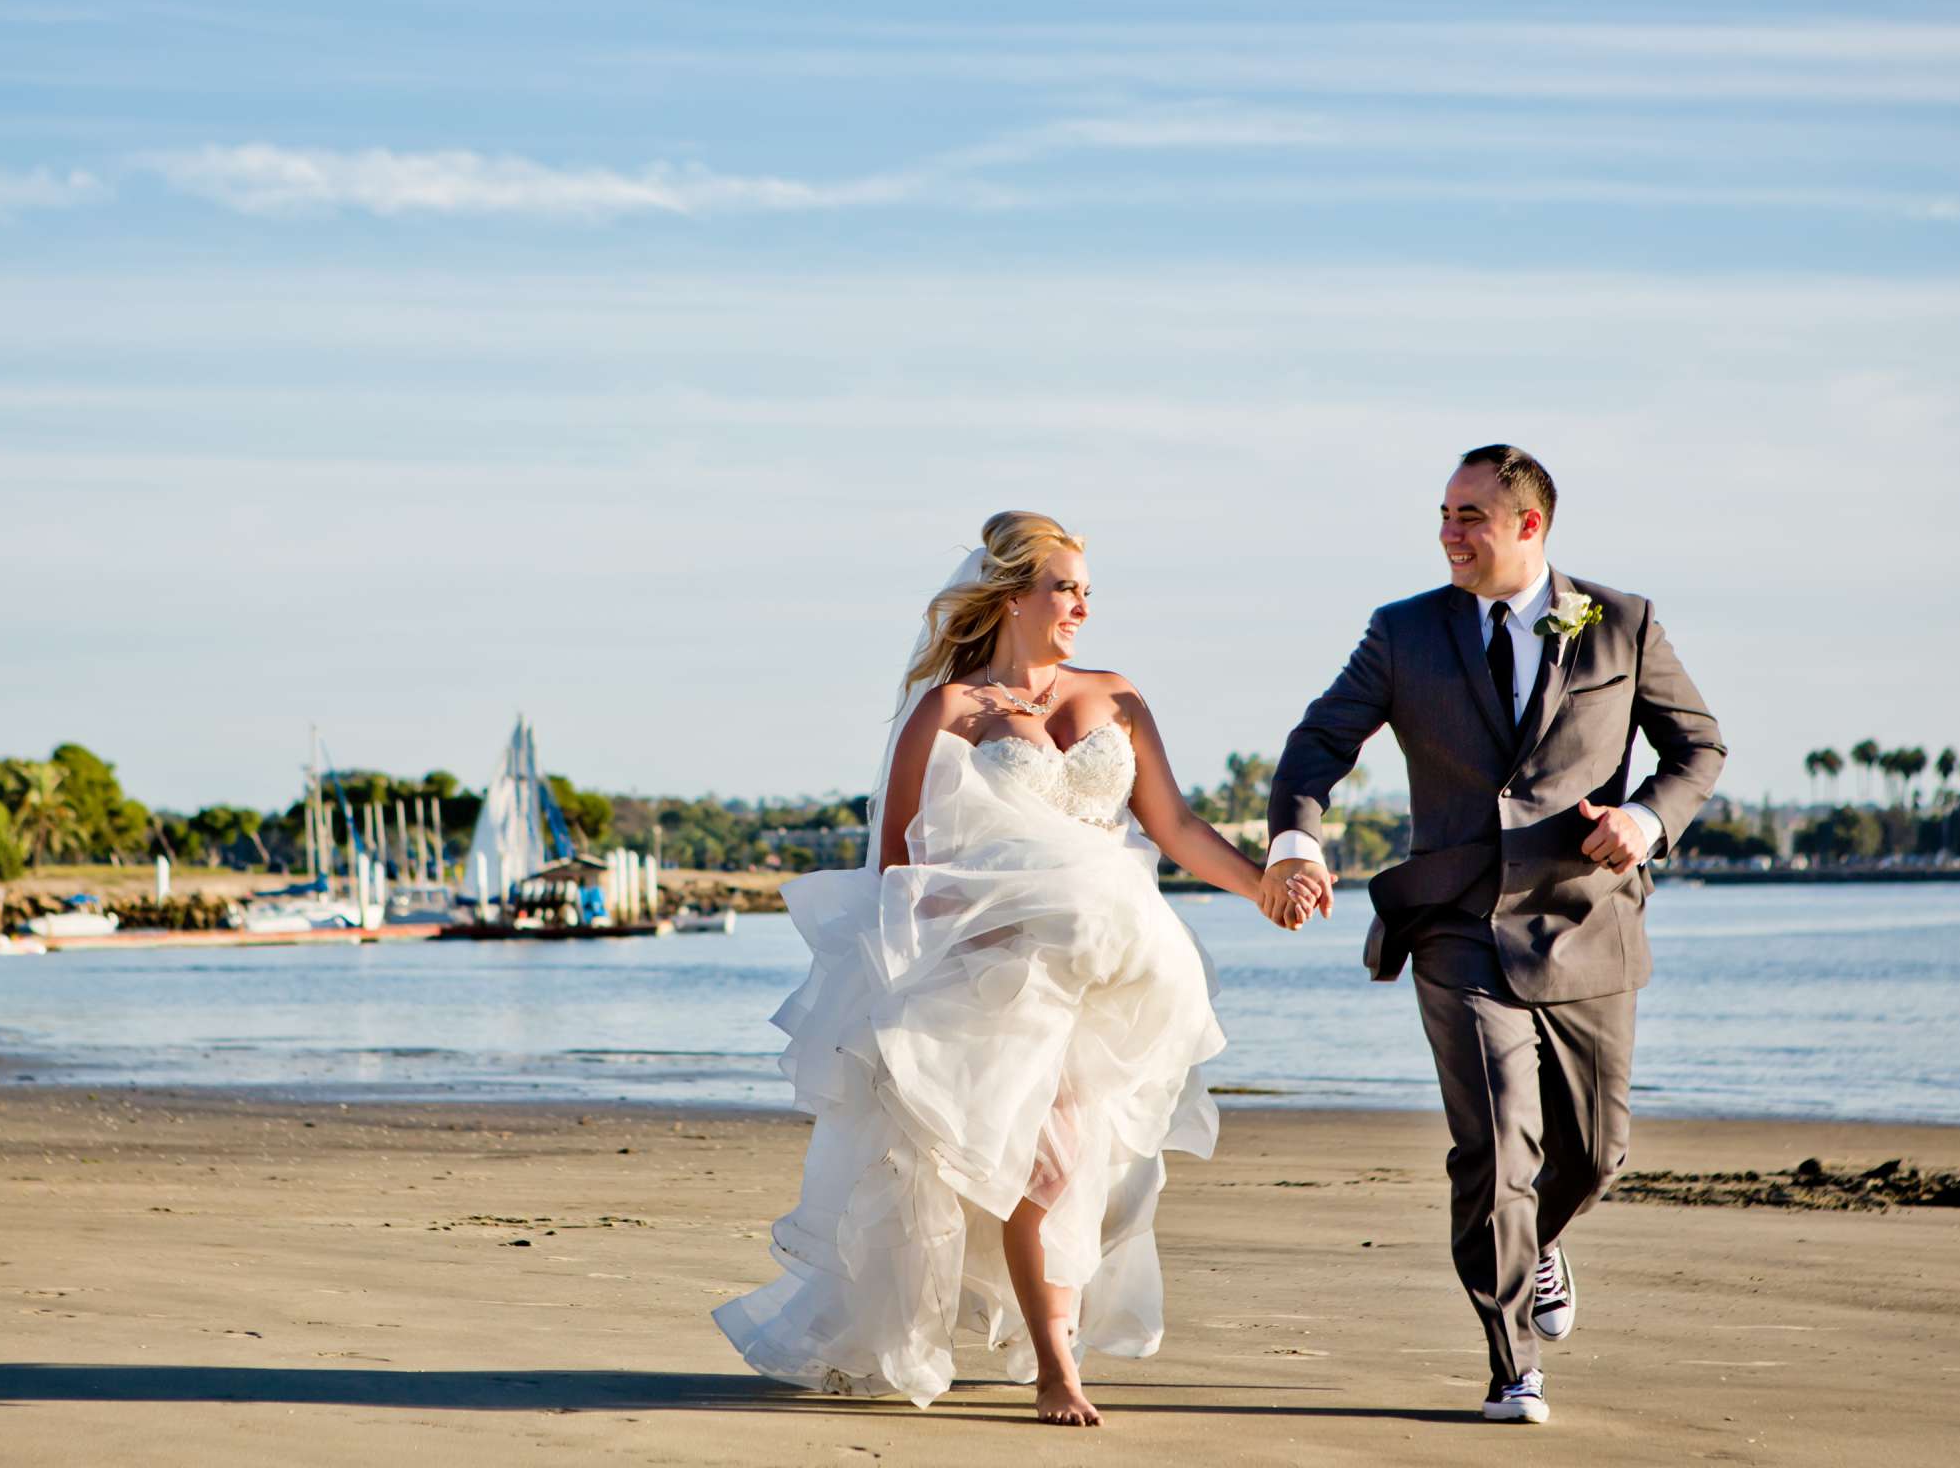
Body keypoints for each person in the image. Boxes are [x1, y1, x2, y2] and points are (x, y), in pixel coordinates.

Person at [715, 510, 1320, 1426]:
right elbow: (896, 865)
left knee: (1080, 1169)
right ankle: (1055, 1369)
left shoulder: (1117, 697)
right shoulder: (950, 710)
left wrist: (1264, 887)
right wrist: (971, 928)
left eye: (1085, 589)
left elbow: (1178, 829)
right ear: (1009, 595)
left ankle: (1046, 1342)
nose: (1079, 604)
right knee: (1043, 1165)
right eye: (1063, 586)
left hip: (1115, 979)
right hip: (994, 981)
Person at [1263, 445, 1725, 1425]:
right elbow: (1318, 743)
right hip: (1458, 925)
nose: (1448, 532)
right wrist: (1297, 841)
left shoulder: (1622, 623)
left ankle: (1542, 1240)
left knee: (1596, 1155)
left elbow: (1697, 747)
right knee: (1495, 1146)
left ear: (1530, 526)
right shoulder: (1403, 633)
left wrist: (1643, 822)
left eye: (1470, 515)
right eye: (1443, 513)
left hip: (1589, 921)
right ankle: (1513, 1364)